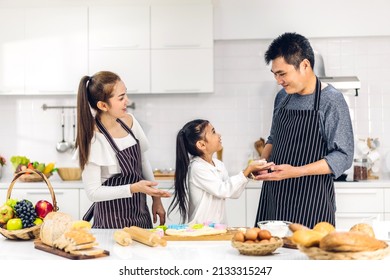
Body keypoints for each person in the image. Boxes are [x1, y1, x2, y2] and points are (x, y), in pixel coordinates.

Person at [254, 32, 354, 228]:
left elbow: (343, 156)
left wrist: (296, 172)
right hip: (274, 197)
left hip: (312, 201)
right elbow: (274, 137)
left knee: (308, 255)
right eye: (275, 74)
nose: (278, 80)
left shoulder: (331, 100)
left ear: (305, 65)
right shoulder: (282, 97)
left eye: (282, 73)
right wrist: (261, 163)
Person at [75, 71, 170, 229]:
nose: (127, 101)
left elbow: (142, 160)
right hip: (111, 223)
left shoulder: (130, 121)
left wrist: (156, 199)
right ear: (103, 105)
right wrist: (133, 188)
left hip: (141, 215)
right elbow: (93, 192)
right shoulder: (92, 139)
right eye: (121, 98)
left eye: (126, 94)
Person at [168, 119, 274, 225]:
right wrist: (246, 171)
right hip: (199, 229)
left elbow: (233, 193)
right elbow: (223, 190)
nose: (219, 135)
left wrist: (248, 175)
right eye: (213, 132)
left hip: (218, 228)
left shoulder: (218, 164)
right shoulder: (197, 167)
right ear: (201, 145)